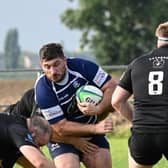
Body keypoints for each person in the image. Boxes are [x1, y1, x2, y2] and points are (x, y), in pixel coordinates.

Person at [35, 43, 116, 168]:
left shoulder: (82, 67)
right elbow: (59, 127)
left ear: (65, 61)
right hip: (62, 137)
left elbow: (112, 86)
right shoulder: (43, 88)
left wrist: (99, 108)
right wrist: (93, 129)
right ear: (42, 66)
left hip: (90, 130)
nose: (53, 71)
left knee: (102, 164)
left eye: (56, 64)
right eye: (47, 67)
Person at [111, 21, 168, 168]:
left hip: (143, 133)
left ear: (158, 39)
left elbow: (116, 101)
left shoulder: (137, 63)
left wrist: (137, 121)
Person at [3, 88, 107, 167]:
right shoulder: (43, 101)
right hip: (13, 131)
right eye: (39, 144)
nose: (39, 148)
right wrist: (74, 141)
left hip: (18, 131)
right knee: (37, 162)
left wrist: (100, 109)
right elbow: (40, 162)